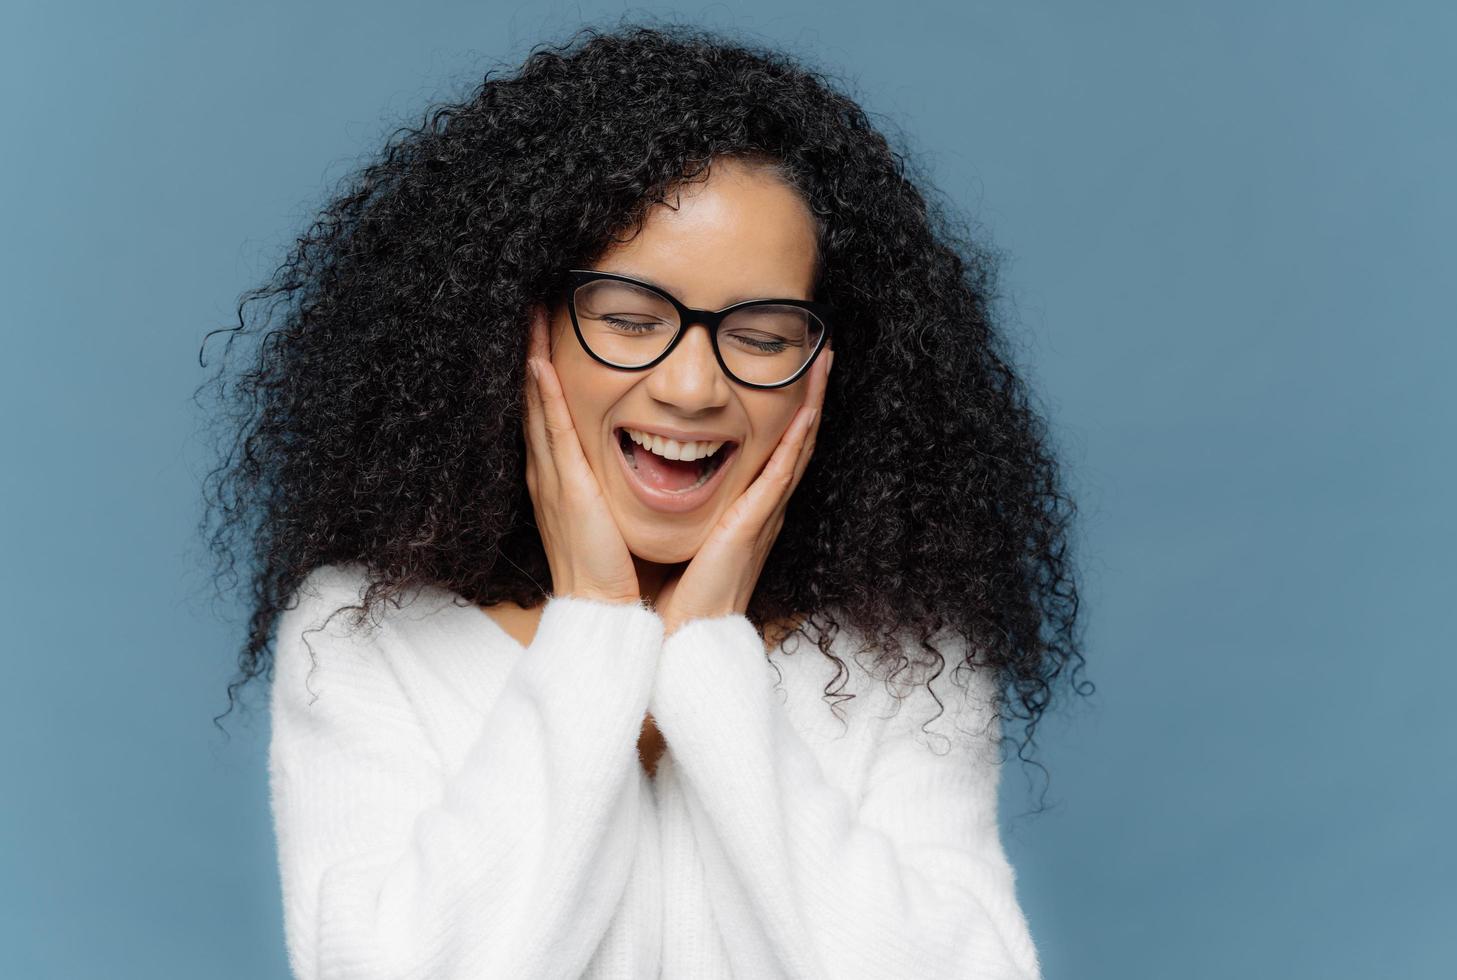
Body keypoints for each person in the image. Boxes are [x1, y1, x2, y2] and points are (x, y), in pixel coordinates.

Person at [200, 22, 1087, 980]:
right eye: (631, 320)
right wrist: (595, 628)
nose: (693, 388)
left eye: (760, 332)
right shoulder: (363, 635)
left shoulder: (903, 659)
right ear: (514, 326)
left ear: (828, 366)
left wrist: (711, 661)